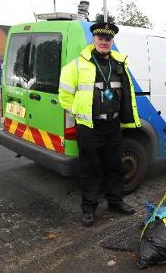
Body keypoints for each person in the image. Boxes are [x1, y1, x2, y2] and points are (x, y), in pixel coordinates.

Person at [58, 22, 141, 226]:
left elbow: (125, 93)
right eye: (100, 38)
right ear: (93, 39)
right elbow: (64, 96)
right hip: (89, 128)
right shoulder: (77, 65)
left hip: (112, 126)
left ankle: (115, 201)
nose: (104, 42)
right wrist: (79, 113)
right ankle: (89, 208)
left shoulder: (119, 64)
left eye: (108, 39)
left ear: (112, 42)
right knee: (90, 169)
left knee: (114, 166)